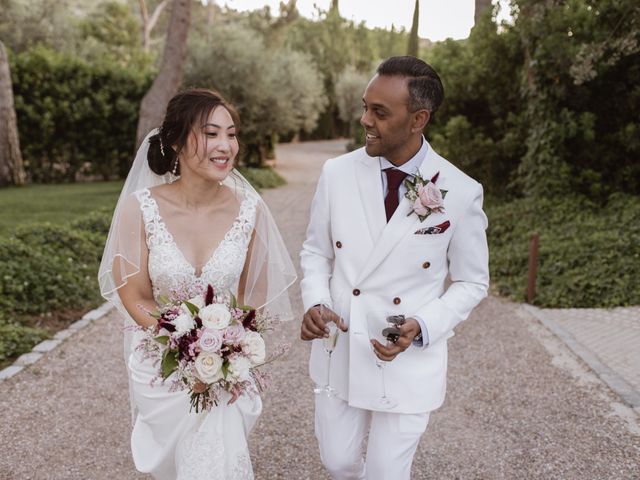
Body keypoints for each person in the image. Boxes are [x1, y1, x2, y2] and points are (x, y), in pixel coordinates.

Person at [300, 56, 490, 479]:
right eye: (365, 106)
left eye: (379, 112)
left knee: (386, 473)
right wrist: (315, 300)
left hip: (407, 359)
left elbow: (472, 281)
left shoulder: (459, 191)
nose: (365, 119)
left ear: (418, 118)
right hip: (342, 347)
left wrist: (424, 324)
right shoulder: (337, 173)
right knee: (338, 462)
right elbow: (316, 251)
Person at [98, 88, 296, 480]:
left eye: (231, 133)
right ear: (174, 141)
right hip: (161, 365)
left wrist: (227, 347)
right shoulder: (139, 207)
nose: (225, 146)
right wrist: (185, 344)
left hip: (227, 366)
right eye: (210, 134)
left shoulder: (250, 210)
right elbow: (134, 295)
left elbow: (252, 296)